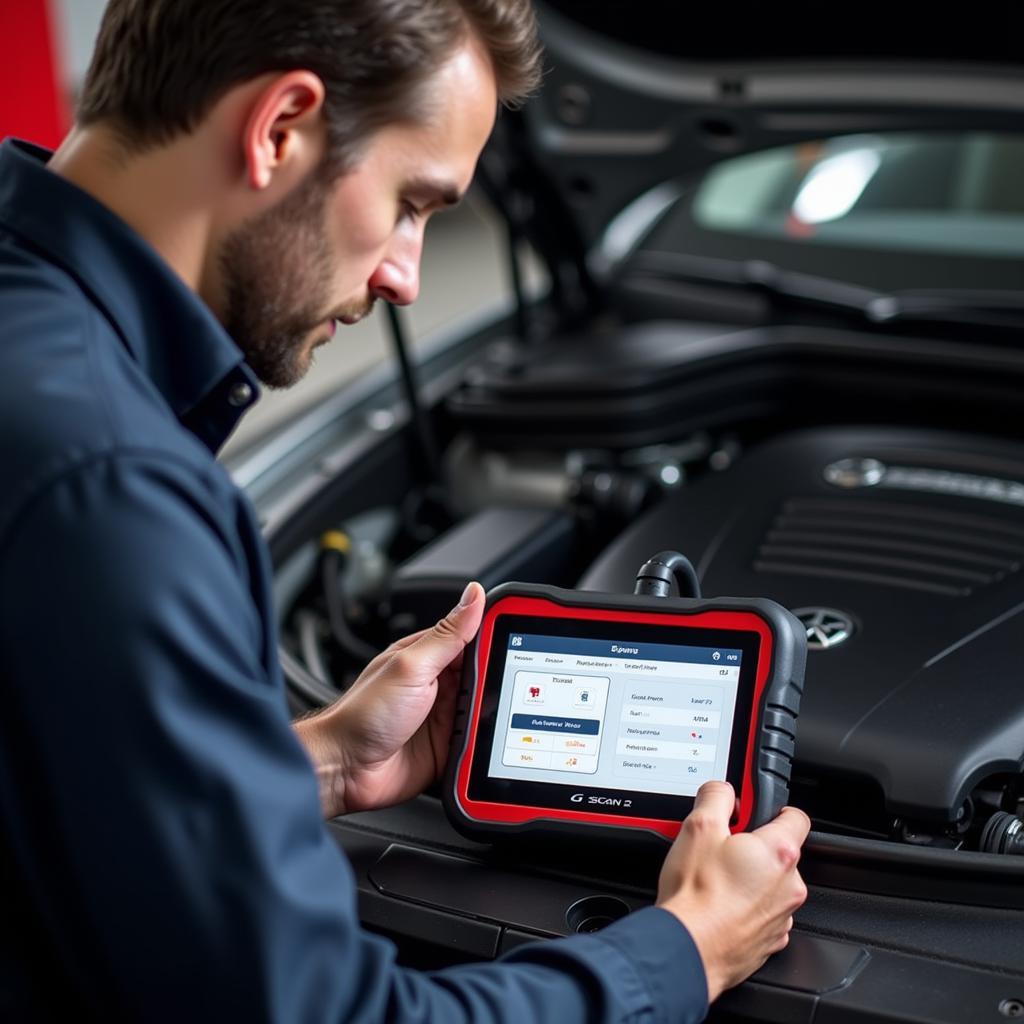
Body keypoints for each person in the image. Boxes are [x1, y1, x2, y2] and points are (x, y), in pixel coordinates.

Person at [0, 1, 810, 1020]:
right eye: (412, 202)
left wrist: (324, 757)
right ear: (281, 127)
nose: (405, 275)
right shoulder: (115, 489)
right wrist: (682, 951)